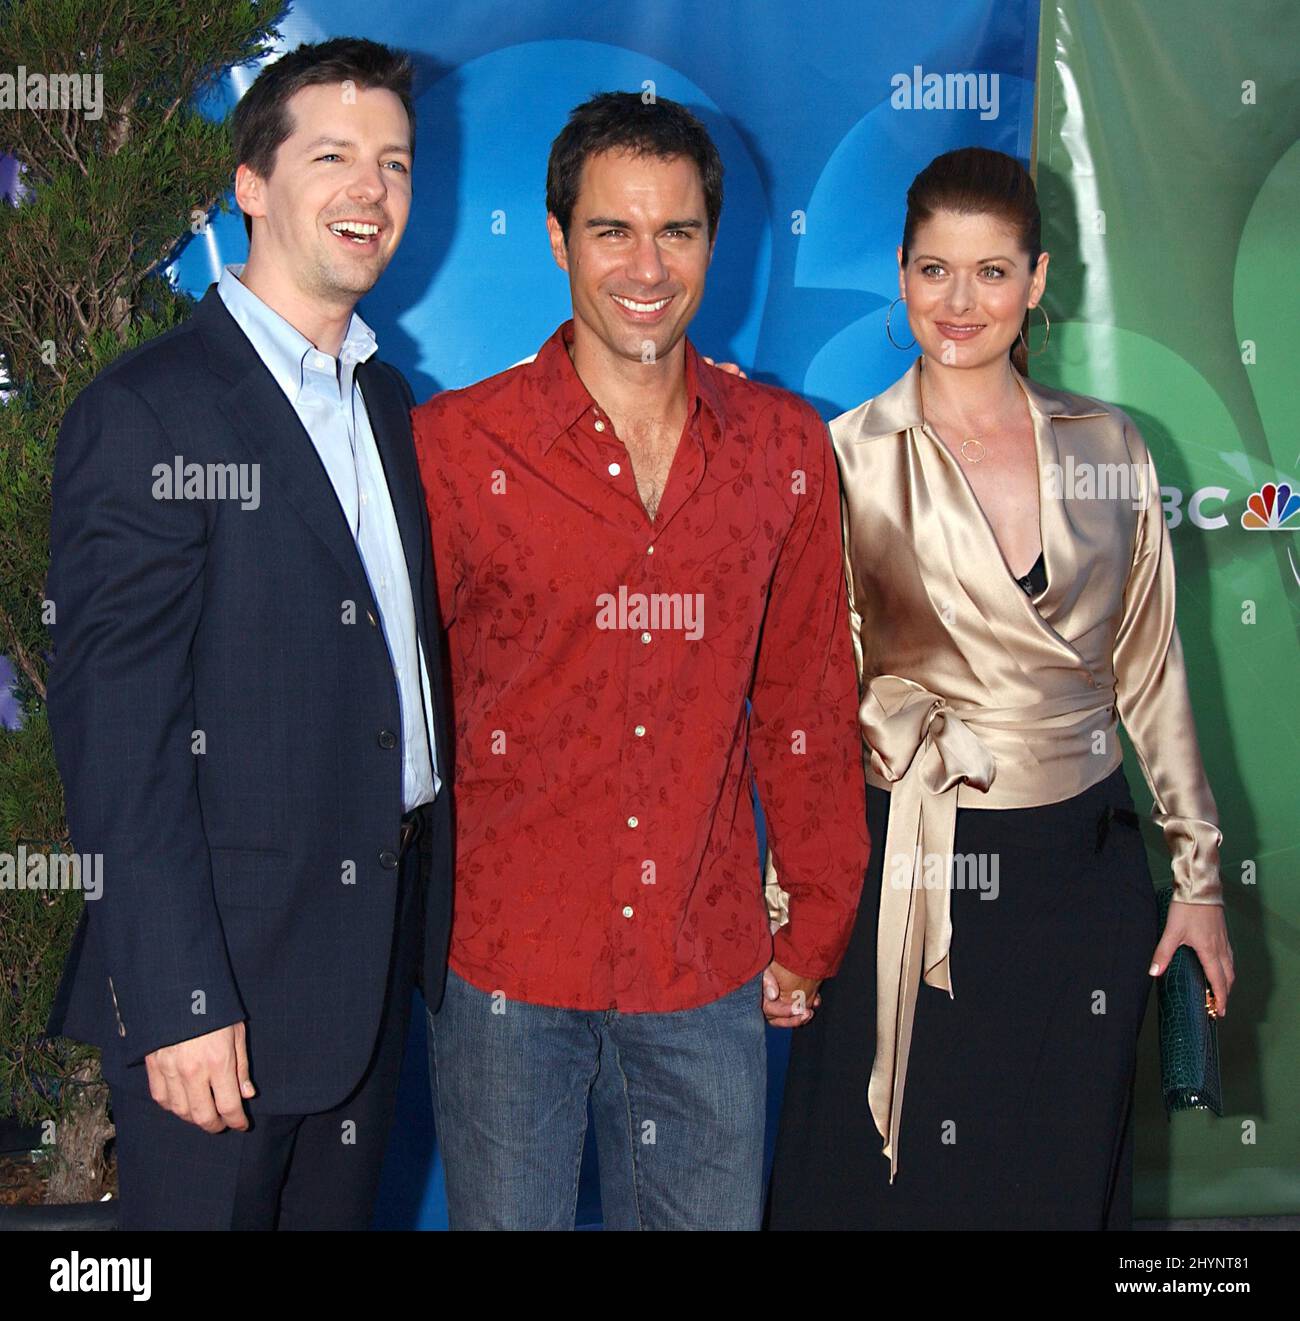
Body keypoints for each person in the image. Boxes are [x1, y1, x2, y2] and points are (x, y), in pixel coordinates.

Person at [410, 92, 869, 1230]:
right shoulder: (457, 450)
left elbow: (806, 700)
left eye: (677, 231)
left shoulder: (782, 450)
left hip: (701, 971)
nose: (646, 265)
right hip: (505, 970)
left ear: (716, 242)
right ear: (559, 238)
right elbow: (391, 717)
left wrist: (812, 923)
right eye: (613, 230)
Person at [766, 146, 1235, 1230]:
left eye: (989, 272)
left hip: (1079, 883)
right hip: (907, 870)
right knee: (884, 1186)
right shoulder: (842, 458)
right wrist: (790, 917)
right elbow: (811, 708)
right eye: (934, 269)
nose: (959, 301)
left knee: (1055, 1179)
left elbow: (1151, 674)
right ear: (899, 272)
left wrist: (1198, 882)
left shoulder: (1111, 447)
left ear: (1035, 280)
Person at [44, 38, 454, 1230]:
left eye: (393, 161)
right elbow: (119, 740)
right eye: (331, 156)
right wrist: (175, 997)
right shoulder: (149, 409)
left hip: (363, 974)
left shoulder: (384, 398)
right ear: (251, 184)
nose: (369, 190)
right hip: (216, 993)